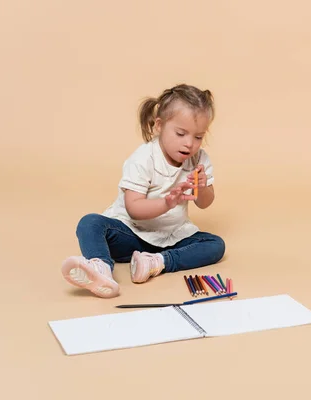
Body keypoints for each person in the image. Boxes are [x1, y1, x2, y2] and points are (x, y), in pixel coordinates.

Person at [61, 84, 226, 298]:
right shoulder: (144, 158)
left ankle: (156, 262)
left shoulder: (199, 160)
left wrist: (202, 187)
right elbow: (134, 208)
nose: (189, 144)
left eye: (197, 137)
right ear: (159, 126)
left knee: (215, 245)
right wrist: (168, 202)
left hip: (172, 236)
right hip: (131, 234)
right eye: (181, 133)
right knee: (90, 223)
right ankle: (100, 268)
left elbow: (204, 203)